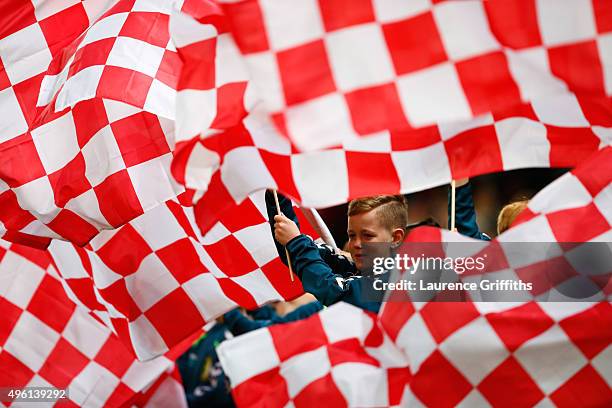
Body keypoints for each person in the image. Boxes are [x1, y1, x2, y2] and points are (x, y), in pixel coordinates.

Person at [267, 191, 408, 313]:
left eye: (367, 236)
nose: (357, 244)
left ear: (396, 238)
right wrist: (279, 194)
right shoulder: (355, 267)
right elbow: (296, 254)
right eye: (352, 235)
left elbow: (335, 292)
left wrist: (296, 242)